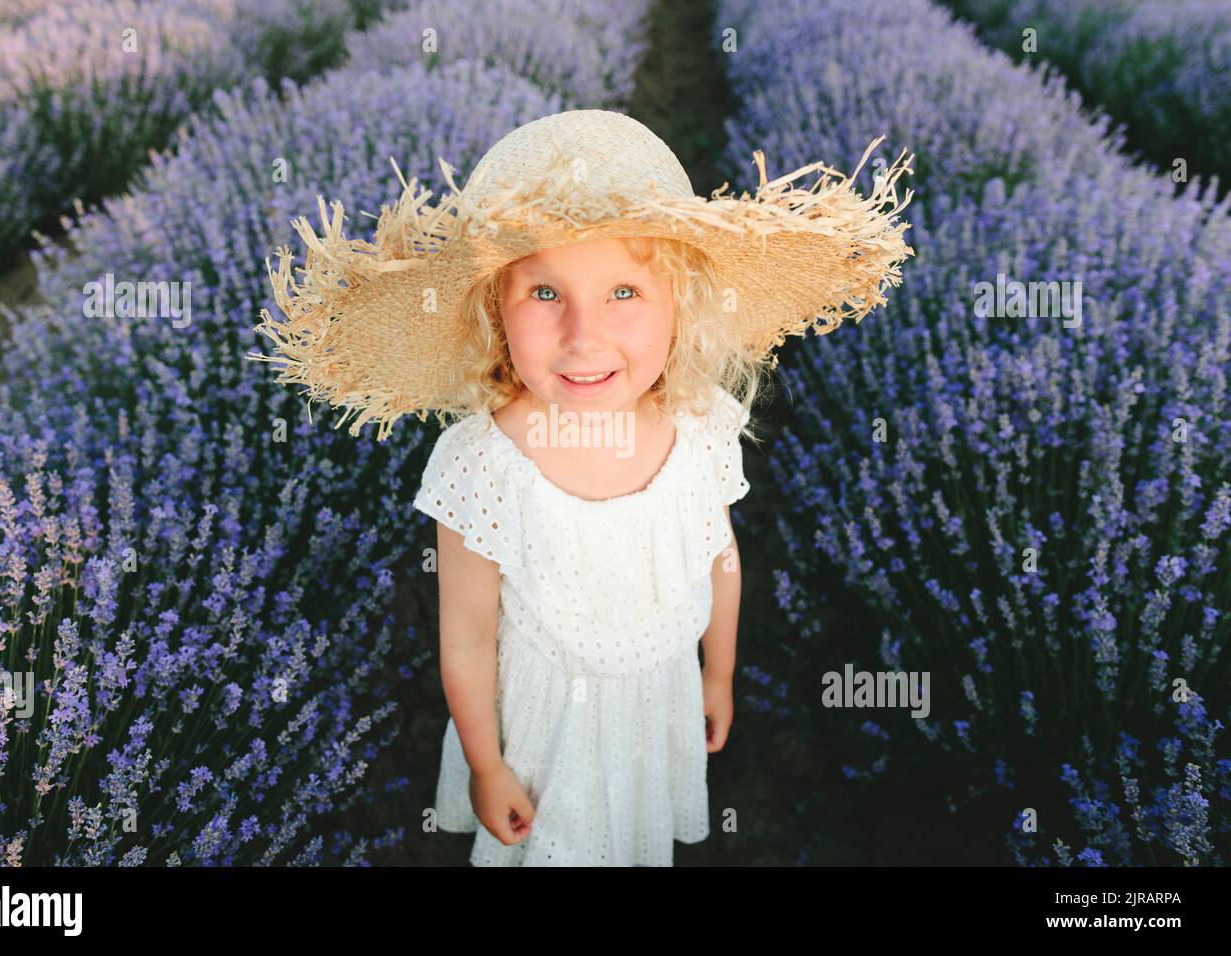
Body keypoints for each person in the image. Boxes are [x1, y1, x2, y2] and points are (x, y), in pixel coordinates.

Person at [250, 108, 914, 865]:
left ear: (680, 306)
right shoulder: (484, 465)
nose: (583, 336)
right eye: (544, 294)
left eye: (624, 293)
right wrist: (487, 763)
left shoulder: (698, 428)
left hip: (656, 696)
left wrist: (718, 672)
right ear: (494, 309)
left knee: (629, 833)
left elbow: (717, 557)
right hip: (541, 726)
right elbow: (465, 635)